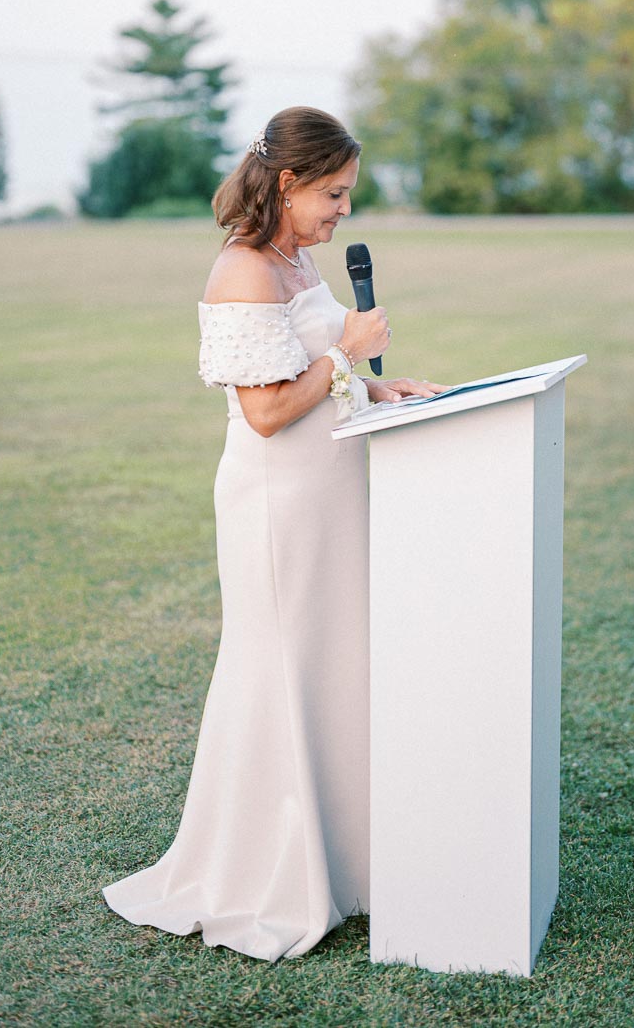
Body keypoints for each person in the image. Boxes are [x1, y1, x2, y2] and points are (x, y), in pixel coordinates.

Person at [102, 106, 444, 961]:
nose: (343, 212)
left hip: (329, 494)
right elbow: (264, 413)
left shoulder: (297, 259)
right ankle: (266, 873)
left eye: (349, 195)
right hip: (275, 505)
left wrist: (378, 384)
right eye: (333, 193)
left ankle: (345, 859)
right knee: (280, 667)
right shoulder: (244, 271)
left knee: (332, 664)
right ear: (287, 184)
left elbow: (317, 382)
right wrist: (345, 357)